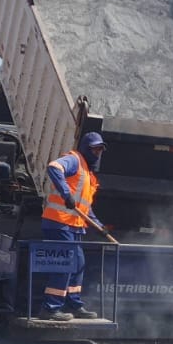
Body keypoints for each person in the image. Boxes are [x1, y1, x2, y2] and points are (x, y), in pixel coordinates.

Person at [38, 132, 106, 321]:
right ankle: (50, 308)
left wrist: (100, 227)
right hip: (58, 222)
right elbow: (54, 167)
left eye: (100, 149)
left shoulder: (88, 174)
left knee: (78, 264)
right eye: (95, 148)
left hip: (73, 226)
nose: (98, 153)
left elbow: (85, 207)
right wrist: (66, 194)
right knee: (65, 264)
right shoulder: (74, 160)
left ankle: (74, 305)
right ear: (86, 148)